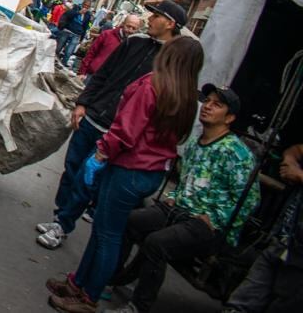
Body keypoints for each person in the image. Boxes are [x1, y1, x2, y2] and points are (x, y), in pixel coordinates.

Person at [46, 36, 204, 313]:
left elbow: (125, 131)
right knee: (104, 231)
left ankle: (88, 297)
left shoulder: (153, 85)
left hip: (129, 168)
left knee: (107, 234)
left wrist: (99, 156)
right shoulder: (185, 96)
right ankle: (79, 283)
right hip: (148, 172)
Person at [37, 0, 186, 249]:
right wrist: (82, 104)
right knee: (72, 168)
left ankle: (63, 225)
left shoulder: (171, 62)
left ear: (170, 23)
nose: (150, 19)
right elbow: (103, 75)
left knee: (88, 177)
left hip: (116, 132)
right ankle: (59, 216)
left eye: (156, 16)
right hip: (92, 117)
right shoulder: (134, 42)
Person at [106, 84, 260, 313]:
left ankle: (138, 306)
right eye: (207, 101)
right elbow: (187, 181)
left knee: (157, 243)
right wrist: (173, 197)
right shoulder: (195, 144)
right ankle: (113, 277)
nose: (207, 106)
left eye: (217, 104)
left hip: (208, 225)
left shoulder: (236, 152)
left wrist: (214, 219)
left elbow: (249, 200)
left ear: (229, 118)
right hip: (180, 209)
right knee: (131, 222)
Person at [222, 143, 303, 313]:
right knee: (240, 303)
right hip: (284, 240)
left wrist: (300, 176)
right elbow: (295, 150)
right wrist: (290, 162)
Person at [79, 14, 143, 79]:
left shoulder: (134, 44)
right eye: (128, 26)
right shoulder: (107, 34)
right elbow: (91, 53)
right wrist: (82, 72)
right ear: (123, 24)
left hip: (110, 81)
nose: (130, 30)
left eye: (134, 28)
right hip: (93, 75)